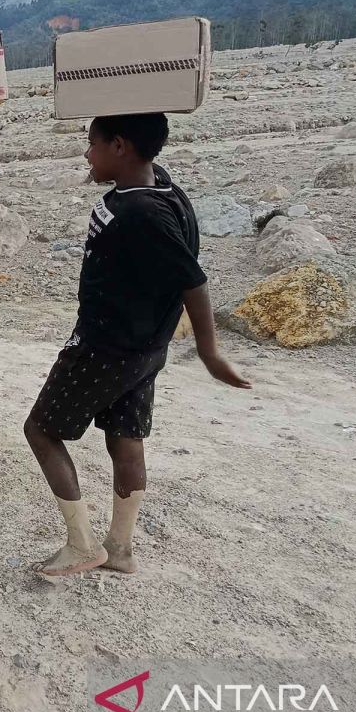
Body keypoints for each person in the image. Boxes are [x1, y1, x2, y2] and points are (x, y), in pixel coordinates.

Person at [23, 113, 251, 576]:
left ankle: (82, 544)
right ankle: (121, 547)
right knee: (125, 437)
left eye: (93, 143)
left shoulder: (143, 212)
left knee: (41, 431)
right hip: (143, 349)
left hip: (106, 345)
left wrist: (210, 353)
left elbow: (193, 281)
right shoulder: (158, 187)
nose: (87, 154)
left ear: (121, 146)